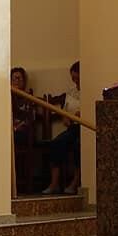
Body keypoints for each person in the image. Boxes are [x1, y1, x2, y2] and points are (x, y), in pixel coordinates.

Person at [42, 60, 81, 195]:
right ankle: (54, 183)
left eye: (77, 78)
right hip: (72, 128)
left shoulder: (90, 90)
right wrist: (66, 118)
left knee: (78, 147)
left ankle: (75, 182)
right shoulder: (71, 92)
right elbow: (65, 110)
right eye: (73, 78)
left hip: (84, 129)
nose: (75, 81)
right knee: (56, 143)